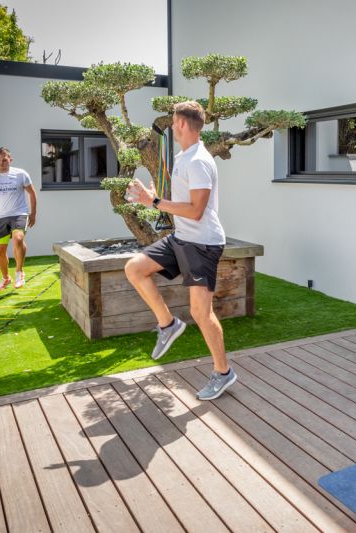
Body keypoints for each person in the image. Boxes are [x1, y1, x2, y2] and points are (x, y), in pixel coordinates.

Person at [125, 100, 235, 401]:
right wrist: (152, 196)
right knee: (135, 268)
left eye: (174, 121)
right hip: (182, 237)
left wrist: (155, 203)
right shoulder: (183, 156)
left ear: (183, 124)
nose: (172, 126)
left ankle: (223, 372)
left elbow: (197, 210)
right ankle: (168, 323)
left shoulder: (198, 160)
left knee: (201, 312)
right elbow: (183, 200)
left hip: (203, 244)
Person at [0, 147, 37, 290]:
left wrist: (33, 214)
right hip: (0, 217)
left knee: (18, 239)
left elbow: (32, 193)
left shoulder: (20, 174)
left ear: (10, 159)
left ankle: (19, 272)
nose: (1, 162)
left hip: (19, 214)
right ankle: (5, 278)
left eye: (4, 159)